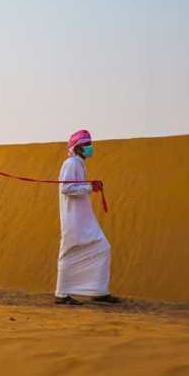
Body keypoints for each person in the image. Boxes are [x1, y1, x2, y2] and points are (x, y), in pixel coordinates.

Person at [54, 129, 121, 305]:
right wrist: (89, 187)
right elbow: (66, 189)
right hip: (73, 218)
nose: (89, 147)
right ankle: (61, 294)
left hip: (83, 217)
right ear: (76, 147)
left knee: (102, 248)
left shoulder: (79, 163)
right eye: (86, 145)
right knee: (69, 251)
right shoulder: (71, 163)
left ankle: (98, 291)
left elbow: (76, 187)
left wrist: (89, 186)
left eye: (90, 144)